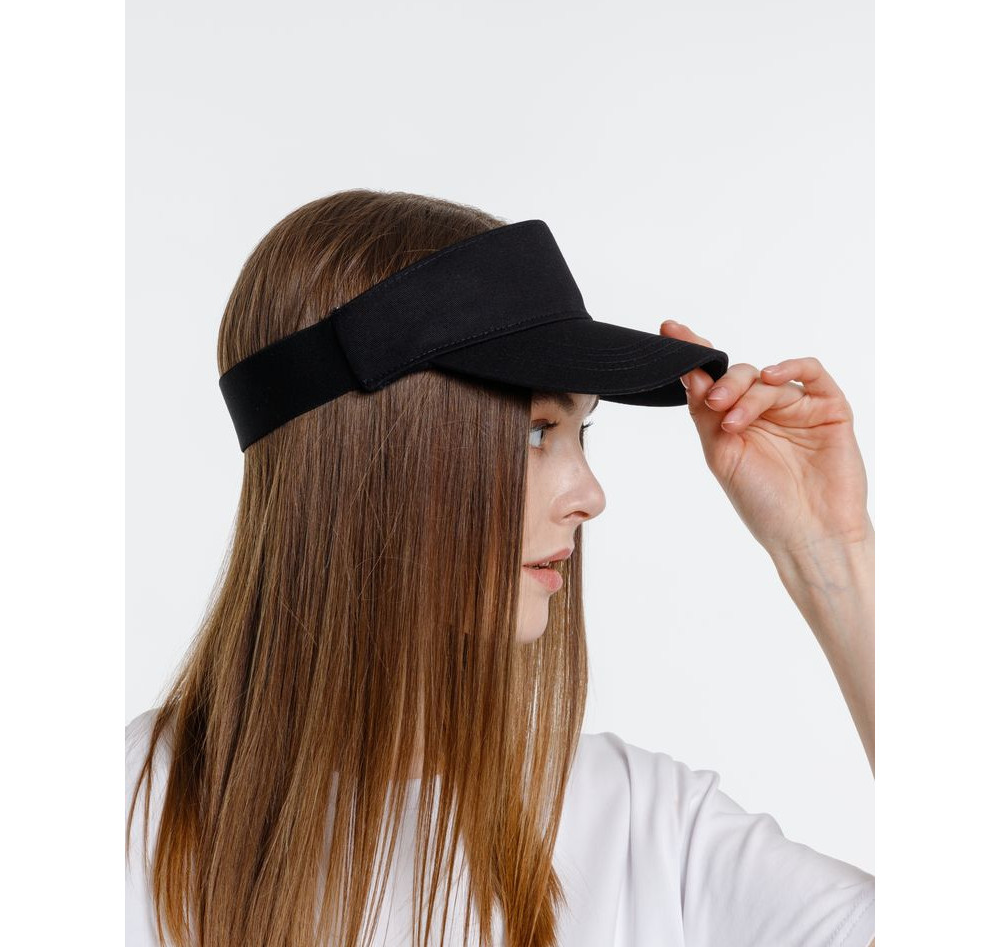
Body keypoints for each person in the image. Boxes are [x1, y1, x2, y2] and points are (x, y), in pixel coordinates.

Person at [126, 189, 875, 947]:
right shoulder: (126, 822)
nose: (589, 496)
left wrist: (829, 550)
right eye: (534, 433)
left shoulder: (644, 830)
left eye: (582, 432)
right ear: (366, 458)